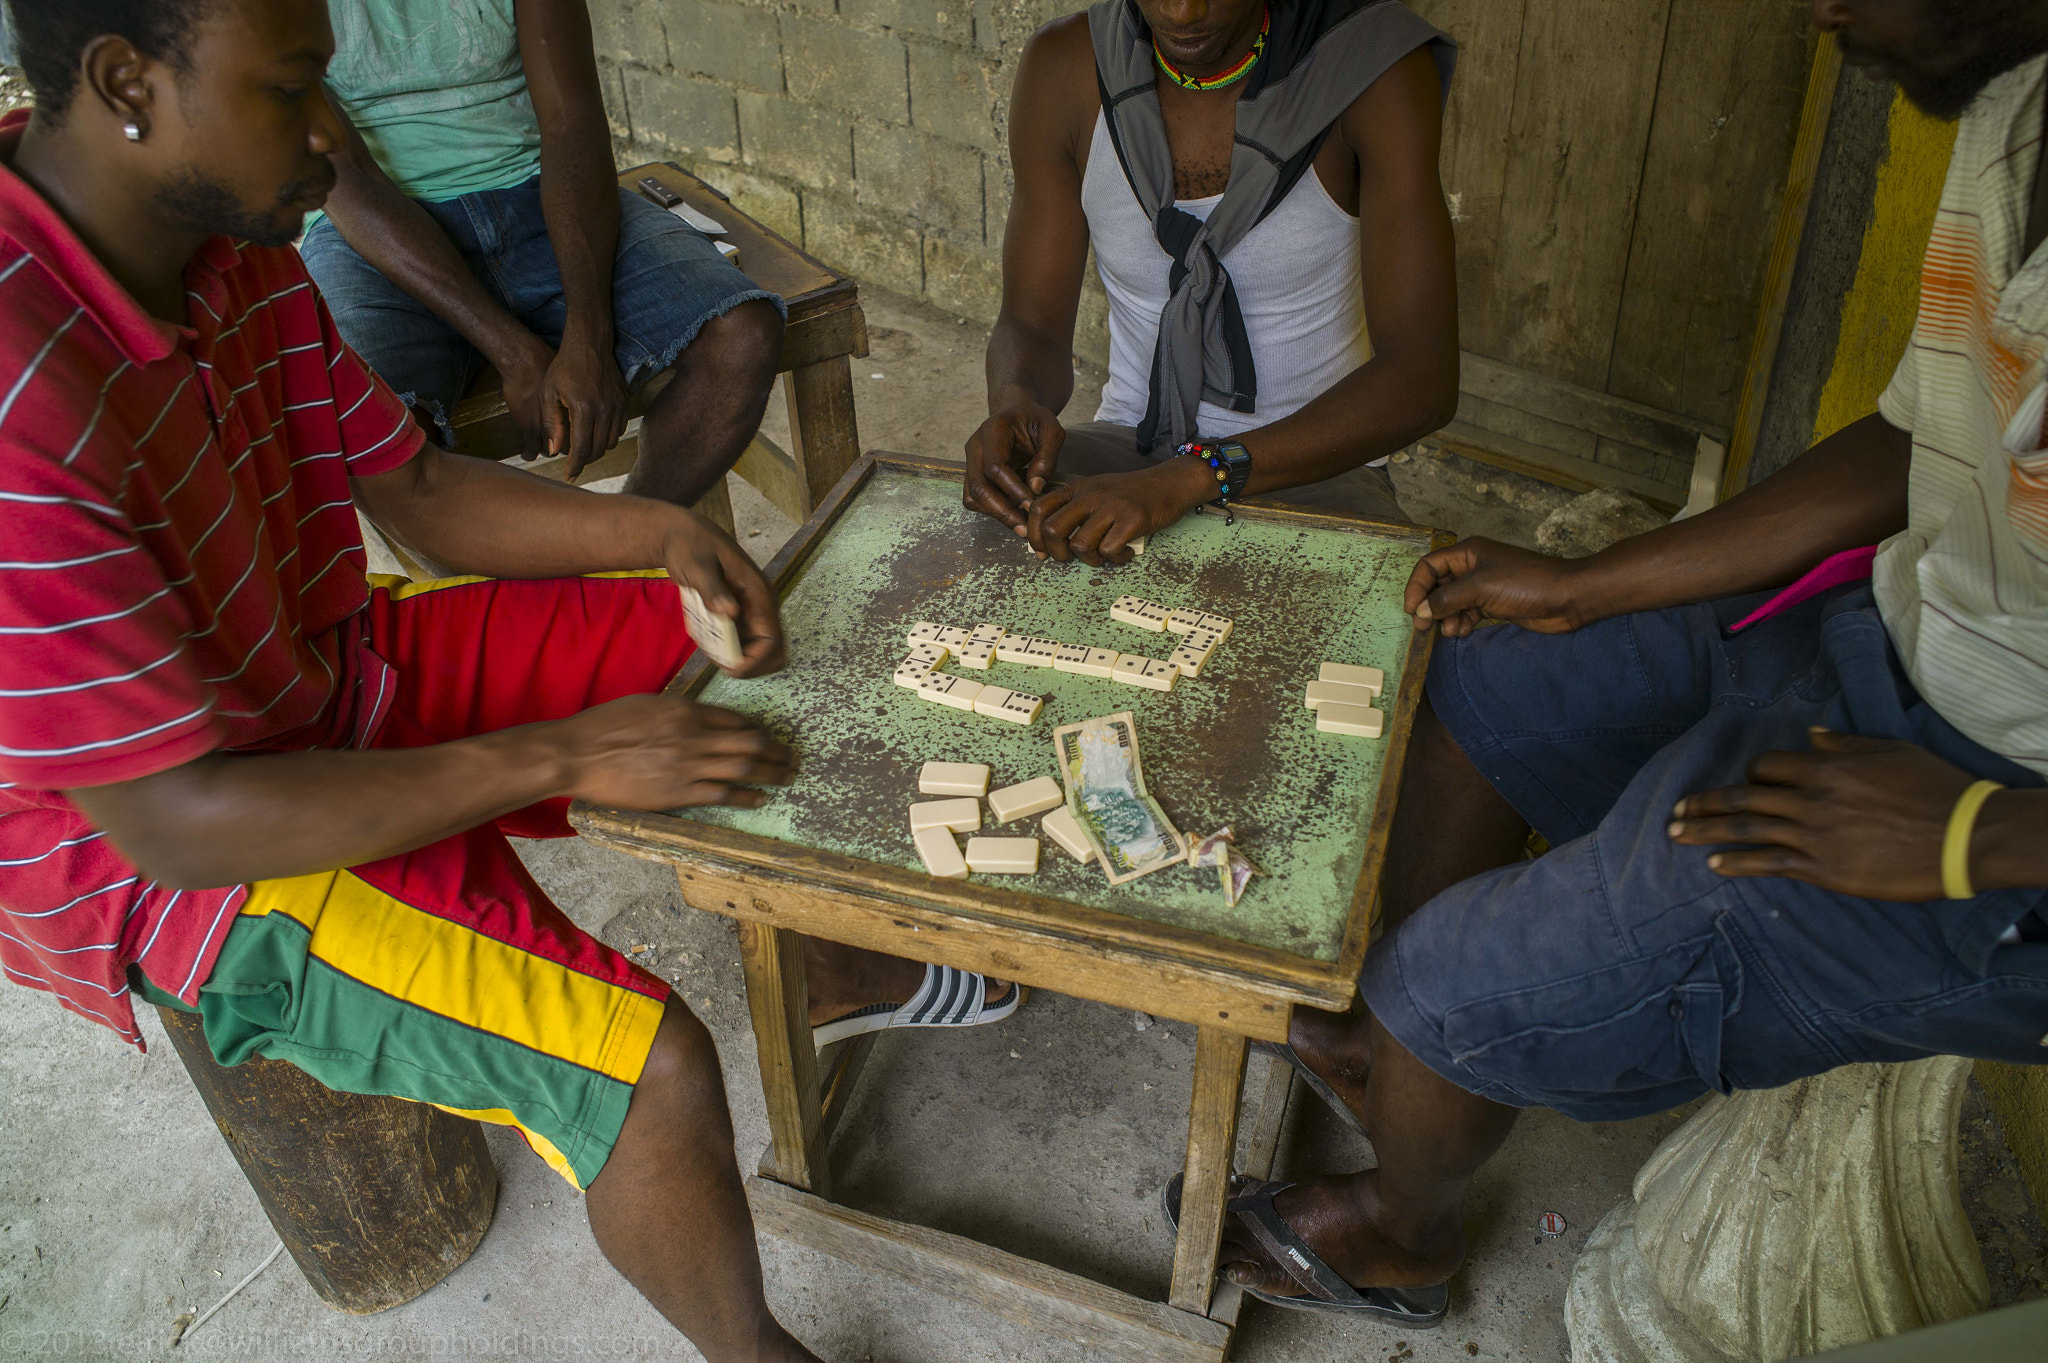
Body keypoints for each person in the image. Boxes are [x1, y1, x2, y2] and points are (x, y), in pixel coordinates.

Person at [0, 3, 1002, 1357]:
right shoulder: (23, 393)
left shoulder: (228, 237)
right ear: (124, 85)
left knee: (731, 635)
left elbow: (411, 488)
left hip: (318, 663)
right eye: (293, 92)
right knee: (649, 1070)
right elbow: (178, 818)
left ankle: (825, 953)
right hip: (181, 854)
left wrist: (658, 534)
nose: (327, 142)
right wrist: (570, 751)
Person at [1176, 0, 2048, 1328]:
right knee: (1486, 667)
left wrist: (1980, 831)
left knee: (1458, 978)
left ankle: (1407, 1226)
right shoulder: (2007, 105)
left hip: (2002, 833)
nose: (1818, 10)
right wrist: (1584, 586)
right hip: (1889, 634)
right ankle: (1395, 1051)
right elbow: (1909, 443)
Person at [962, 0, 1459, 564]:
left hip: (1314, 467)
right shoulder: (1067, 68)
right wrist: (1014, 401)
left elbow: (1423, 378)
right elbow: (1030, 322)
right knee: (983, 575)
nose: (1183, 11)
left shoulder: (1371, 70)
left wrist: (1190, 478)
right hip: (1135, 446)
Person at [301, 0, 784, 506]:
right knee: (365, 425)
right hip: (374, 233)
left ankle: (630, 546)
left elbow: (570, 123)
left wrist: (588, 338)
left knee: (742, 337)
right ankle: (505, 584)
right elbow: (346, 177)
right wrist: (514, 352)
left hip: (543, 192)